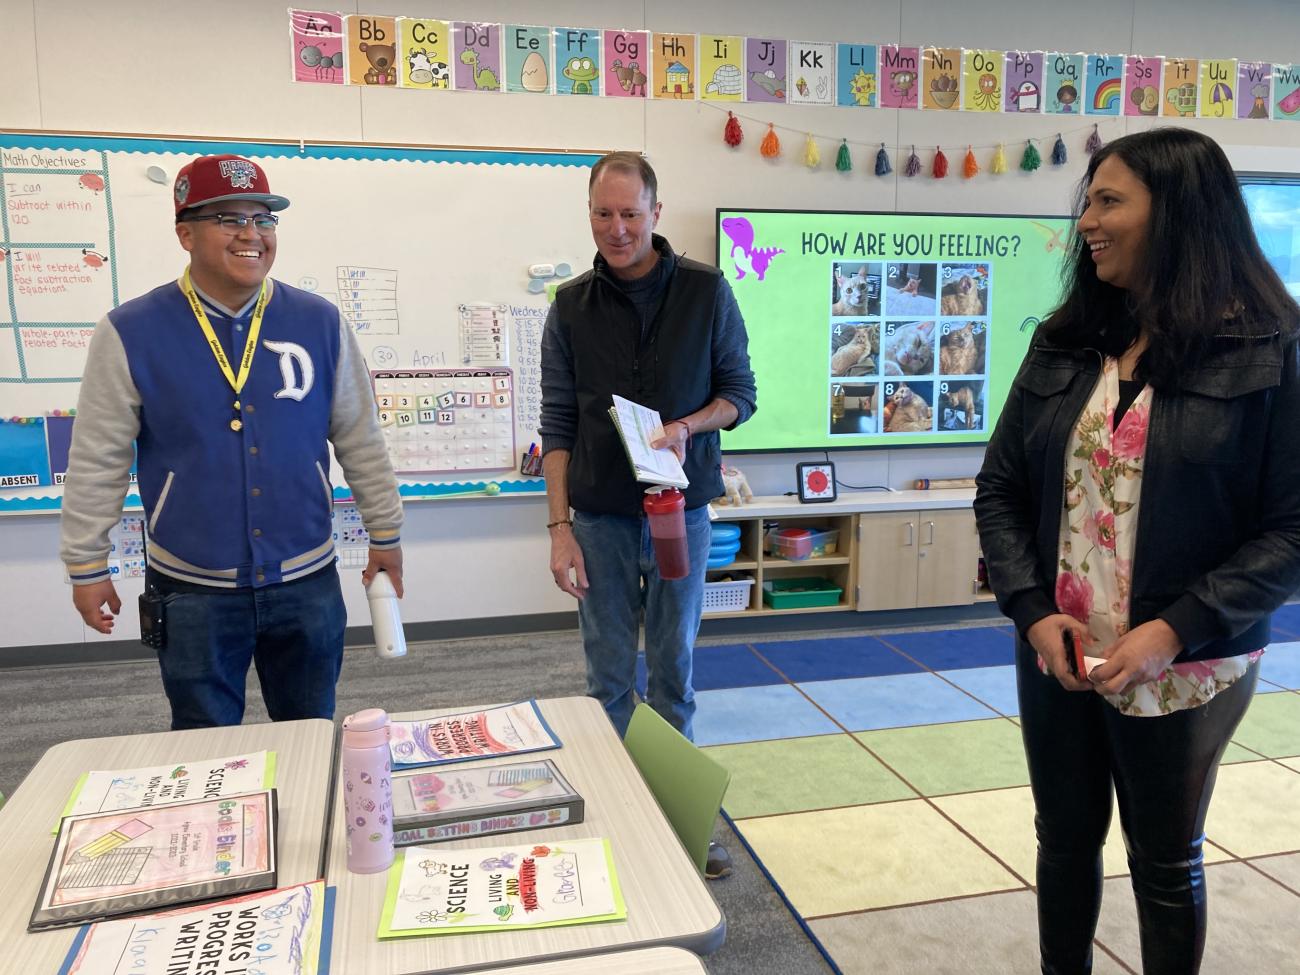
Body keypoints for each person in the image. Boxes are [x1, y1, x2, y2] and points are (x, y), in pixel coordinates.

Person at [975, 127, 1300, 974]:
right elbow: (1001, 488)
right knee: (1063, 840)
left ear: (1180, 214)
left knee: (1164, 860)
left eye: (1109, 199)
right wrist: (1032, 610)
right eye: (1088, 198)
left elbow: (1293, 529)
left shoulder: (1273, 349)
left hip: (1186, 662)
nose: (1087, 218)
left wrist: (1174, 628)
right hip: (1061, 650)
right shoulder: (1067, 339)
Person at [60, 154, 403, 730]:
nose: (252, 234)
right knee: (203, 740)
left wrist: (386, 531)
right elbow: (99, 458)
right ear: (185, 233)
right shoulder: (131, 331)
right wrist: (87, 565)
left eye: (264, 219)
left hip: (306, 578)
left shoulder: (319, 322)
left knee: (313, 731)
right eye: (229, 219)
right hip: (191, 587)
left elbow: (360, 437)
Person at [540, 152, 756, 876]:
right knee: (606, 678)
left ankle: (678, 819)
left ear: (656, 213)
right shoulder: (569, 305)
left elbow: (740, 395)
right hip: (598, 519)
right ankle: (614, 819)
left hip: (679, 515)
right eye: (604, 213)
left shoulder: (706, 291)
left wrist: (691, 425)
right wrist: (559, 527)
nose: (617, 228)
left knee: (672, 672)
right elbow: (558, 421)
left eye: (631, 213)